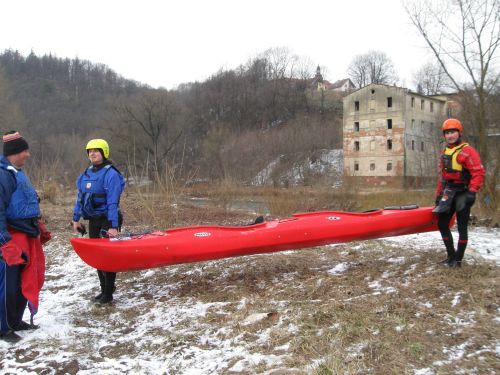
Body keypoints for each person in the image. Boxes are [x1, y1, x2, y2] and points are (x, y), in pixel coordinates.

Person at [0, 131, 51, 343]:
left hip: (27, 233)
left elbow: (26, 203)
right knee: (7, 285)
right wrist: (5, 242)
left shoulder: (17, 171)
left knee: (23, 282)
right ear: (14, 153)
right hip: (11, 237)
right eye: (24, 151)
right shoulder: (3, 175)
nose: (28, 155)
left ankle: (15, 320)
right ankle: (3, 327)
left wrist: (38, 226)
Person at [72, 139, 125, 304]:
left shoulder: (111, 174)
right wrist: (76, 219)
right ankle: (104, 289)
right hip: (93, 220)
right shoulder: (86, 174)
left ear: (104, 153)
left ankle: (108, 293)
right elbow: (80, 198)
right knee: (97, 256)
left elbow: (113, 203)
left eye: (96, 150)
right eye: (90, 151)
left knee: (107, 257)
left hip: (108, 220)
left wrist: (114, 226)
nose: (92, 153)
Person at [433, 119, 485, 268]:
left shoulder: (467, 151)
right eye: (447, 133)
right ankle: (451, 256)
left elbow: (478, 172)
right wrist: (438, 196)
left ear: (459, 133)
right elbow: (442, 177)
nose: (450, 136)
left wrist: (472, 191)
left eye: (453, 132)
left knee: (462, 227)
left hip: (463, 191)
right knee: (442, 224)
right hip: (449, 190)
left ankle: (458, 261)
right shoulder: (445, 152)